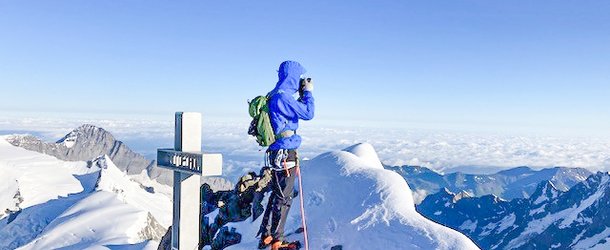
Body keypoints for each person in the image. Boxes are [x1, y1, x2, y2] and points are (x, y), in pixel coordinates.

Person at [258, 61, 314, 250]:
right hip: (285, 153)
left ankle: (267, 235)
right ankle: (277, 241)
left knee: (277, 194)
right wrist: (307, 93)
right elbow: (308, 113)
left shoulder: (274, 95)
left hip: (276, 152)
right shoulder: (283, 97)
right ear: (292, 76)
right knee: (284, 198)